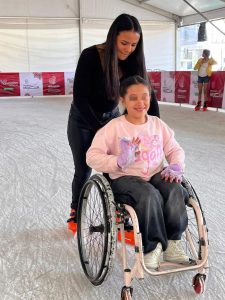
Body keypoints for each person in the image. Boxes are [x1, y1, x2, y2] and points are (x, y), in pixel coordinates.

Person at [67, 14, 160, 232]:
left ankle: (121, 212)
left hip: (111, 119)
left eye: (134, 44)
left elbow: (149, 97)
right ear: (113, 38)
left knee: (119, 167)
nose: (128, 49)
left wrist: (155, 127)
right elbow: (79, 97)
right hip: (82, 120)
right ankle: (75, 210)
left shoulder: (134, 62)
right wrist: (99, 129)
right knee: (83, 168)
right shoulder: (91, 56)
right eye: (124, 43)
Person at [86, 75, 189, 270]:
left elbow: (175, 149)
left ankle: (173, 242)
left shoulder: (157, 124)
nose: (140, 102)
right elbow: (92, 156)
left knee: (175, 189)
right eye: (133, 98)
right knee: (149, 195)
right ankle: (151, 248)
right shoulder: (114, 127)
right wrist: (118, 161)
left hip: (156, 174)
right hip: (125, 178)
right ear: (122, 100)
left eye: (145, 96)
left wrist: (175, 165)